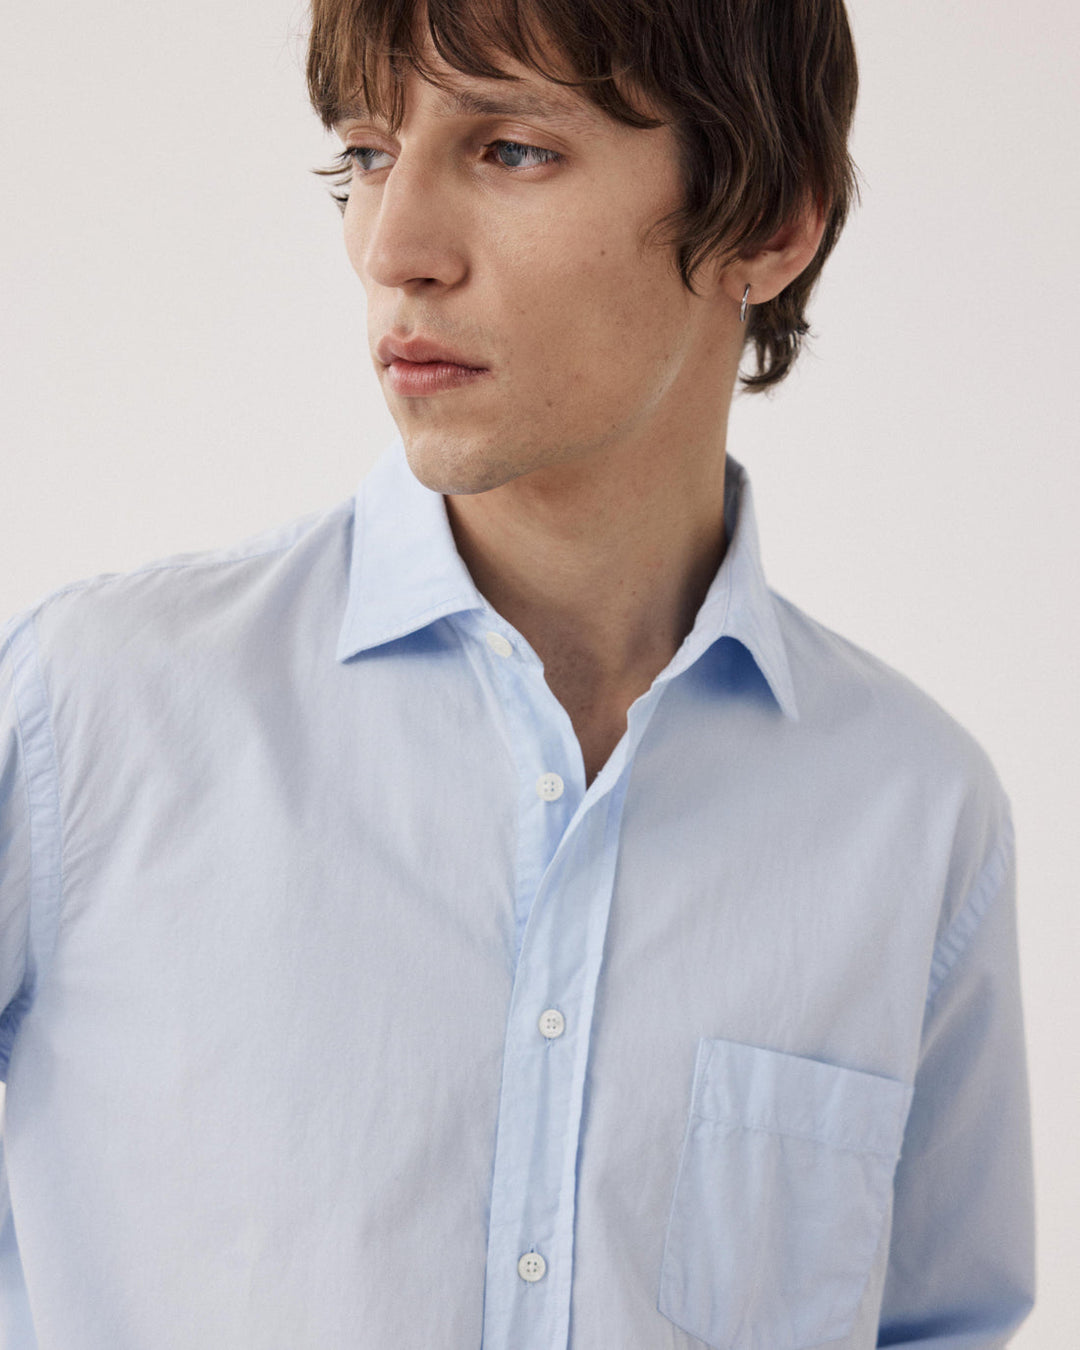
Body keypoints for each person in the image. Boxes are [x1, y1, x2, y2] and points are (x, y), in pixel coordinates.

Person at [0, 0, 1035, 1346]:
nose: (395, 247)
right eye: (365, 154)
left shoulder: (914, 813)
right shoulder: (96, 714)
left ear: (772, 224)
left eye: (511, 152)